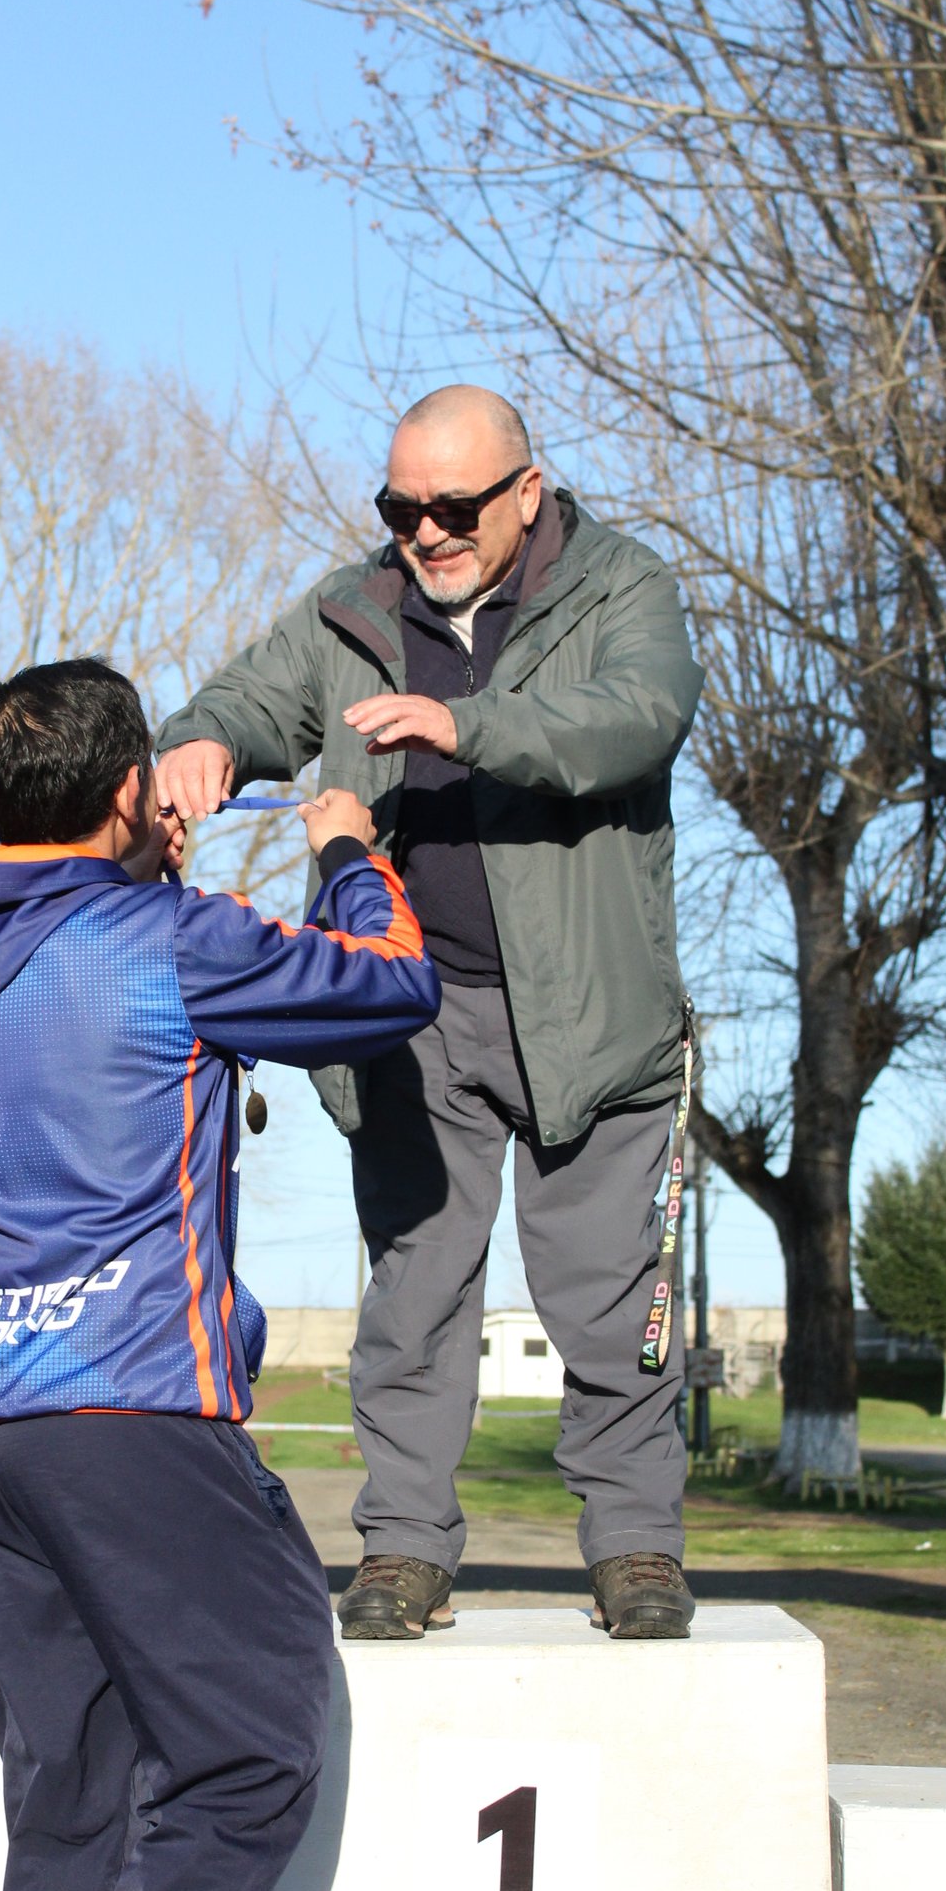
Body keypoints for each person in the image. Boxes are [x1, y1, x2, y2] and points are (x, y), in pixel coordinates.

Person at [0, 658, 439, 1891]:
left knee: (70, 1776)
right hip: (133, 1412)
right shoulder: (175, 941)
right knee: (256, 1743)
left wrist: (118, 850)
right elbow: (385, 987)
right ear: (135, 792)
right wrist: (345, 846)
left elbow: (32, 928)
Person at [157, 385, 704, 1644]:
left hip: (593, 1016)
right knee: (412, 1294)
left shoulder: (626, 591)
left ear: (526, 491)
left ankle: (635, 1550)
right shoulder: (353, 613)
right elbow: (244, 704)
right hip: (410, 1018)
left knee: (609, 1298)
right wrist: (202, 746)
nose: (425, 532)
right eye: (401, 507)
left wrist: (463, 727)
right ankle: (403, 1549)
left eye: (453, 507)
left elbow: (632, 721)